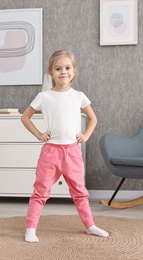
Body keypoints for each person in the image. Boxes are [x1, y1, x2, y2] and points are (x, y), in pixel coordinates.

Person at [21, 49, 109, 243]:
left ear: (74, 70)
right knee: (40, 191)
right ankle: (31, 228)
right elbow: (25, 117)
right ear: (51, 72)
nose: (63, 72)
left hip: (72, 152)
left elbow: (93, 118)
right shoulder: (43, 97)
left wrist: (85, 135)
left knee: (80, 191)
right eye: (58, 68)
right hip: (50, 152)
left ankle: (90, 226)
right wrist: (39, 134)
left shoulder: (79, 96)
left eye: (67, 68)